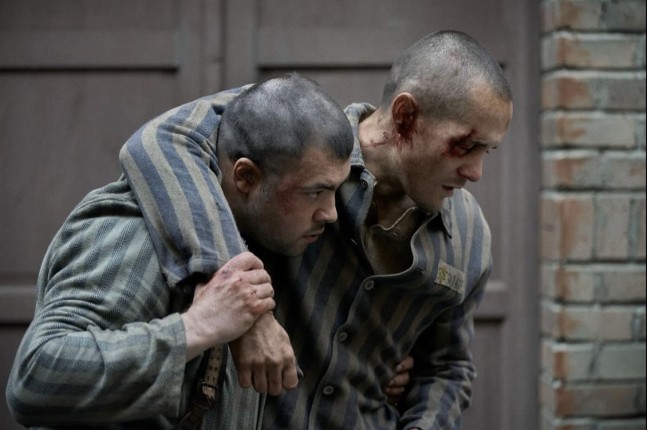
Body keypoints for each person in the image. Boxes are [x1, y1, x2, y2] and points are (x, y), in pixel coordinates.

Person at [115, 30, 514, 429]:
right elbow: (162, 139)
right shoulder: (296, 139)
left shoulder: (470, 238)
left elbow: (446, 368)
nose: (476, 172)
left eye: (488, 151)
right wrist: (248, 310)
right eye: (466, 145)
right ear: (406, 117)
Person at [6, 74, 412, 429]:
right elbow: (36, 375)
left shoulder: (265, 233)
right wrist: (194, 330)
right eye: (315, 192)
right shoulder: (137, 236)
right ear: (246, 177)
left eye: (334, 191)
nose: (330, 213)